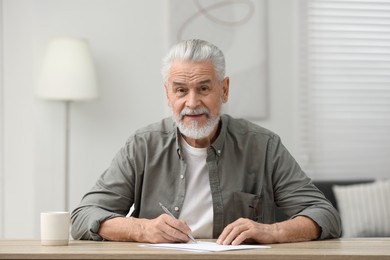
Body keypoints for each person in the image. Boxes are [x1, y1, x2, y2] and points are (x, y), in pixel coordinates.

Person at [71, 39, 341, 245]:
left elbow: (324, 215)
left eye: (203, 88)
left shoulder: (263, 146)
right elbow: (84, 216)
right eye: (180, 90)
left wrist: (273, 230)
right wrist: (142, 229)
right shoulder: (143, 145)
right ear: (168, 94)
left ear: (223, 90)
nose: (192, 103)